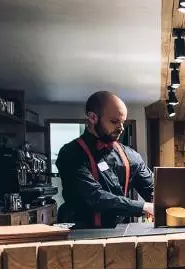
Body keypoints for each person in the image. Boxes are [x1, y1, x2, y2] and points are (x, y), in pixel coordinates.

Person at [56, 91, 154, 228]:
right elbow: (94, 197)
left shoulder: (131, 156)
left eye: (122, 122)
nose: (121, 128)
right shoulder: (71, 154)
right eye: (114, 122)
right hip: (81, 234)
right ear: (92, 117)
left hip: (121, 232)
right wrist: (143, 207)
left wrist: (165, 199)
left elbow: (152, 188)